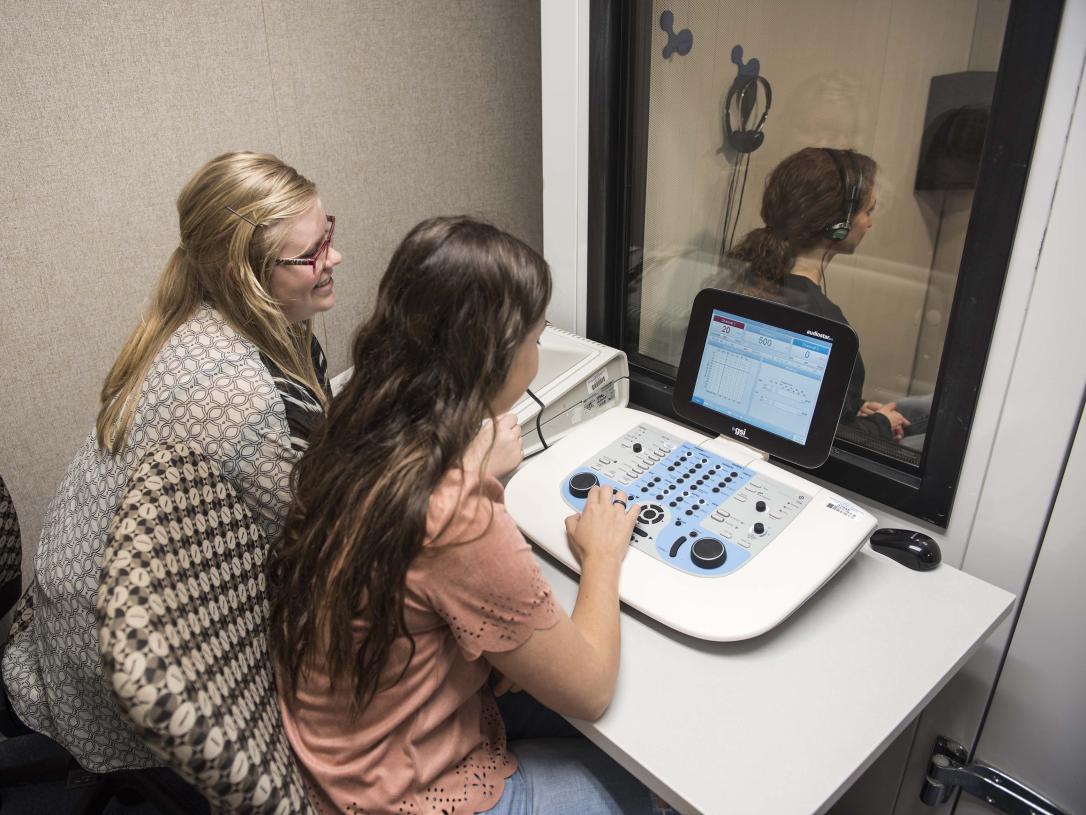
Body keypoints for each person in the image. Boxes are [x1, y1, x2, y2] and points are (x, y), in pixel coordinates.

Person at [268, 216, 676, 815]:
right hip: (395, 793)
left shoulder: (355, 414)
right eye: (537, 340)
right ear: (495, 355)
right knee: (649, 784)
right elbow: (589, 690)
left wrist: (475, 457)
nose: (538, 354)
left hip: (342, 743)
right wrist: (604, 557)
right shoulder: (455, 513)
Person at [2, 151, 341, 774]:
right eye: (312, 253)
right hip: (125, 671)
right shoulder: (231, 394)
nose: (333, 260)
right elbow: (326, 548)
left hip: (79, 608)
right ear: (245, 275)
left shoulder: (231, 315)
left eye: (329, 235)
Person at [722, 146, 916, 441]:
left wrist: (854, 407)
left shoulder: (743, 278)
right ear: (838, 225)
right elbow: (824, 437)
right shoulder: (823, 321)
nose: (870, 223)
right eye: (868, 210)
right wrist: (881, 424)